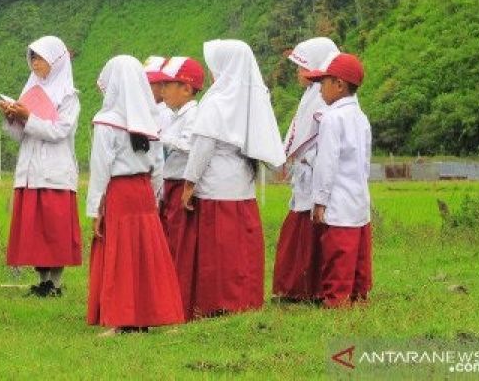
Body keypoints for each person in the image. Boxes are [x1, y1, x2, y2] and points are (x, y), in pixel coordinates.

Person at [178, 39, 285, 319]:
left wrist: (189, 183)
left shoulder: (216, 100)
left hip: (215, 186)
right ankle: (245, 301)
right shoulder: (252, 99)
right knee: (240, 249)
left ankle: (216, 303)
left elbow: (202, 147)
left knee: (218, 250)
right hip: (242, 184)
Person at [85, 55, 185, 335]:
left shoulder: (106, 122)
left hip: (119, 191)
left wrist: (95, 208)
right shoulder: (150, 119)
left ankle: (122, 318)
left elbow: (100, 169)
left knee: (120, 253)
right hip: (142, 191)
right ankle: (149, 312)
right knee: (146, 253)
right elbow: (158, 166)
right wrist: (155, 196)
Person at [0, 36, 82, 298]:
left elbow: (59, 130)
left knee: (53, 231)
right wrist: (13, 119)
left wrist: (28, 117)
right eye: (32, 57)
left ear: (56, 61)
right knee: (34, 231)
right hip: (30, 171)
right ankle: (42, 281)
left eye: (41, 58)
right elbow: (20, 136)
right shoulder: (29, 91)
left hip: (55, 172)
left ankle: (55, 283)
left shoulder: (68, 96)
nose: (35, 63)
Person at [272, 37, 339, 302]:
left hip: (315, 171)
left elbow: (321, 137)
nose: (299, 73)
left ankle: (307, 288)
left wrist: (298, 158)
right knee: (299, 229)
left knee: (311, 229)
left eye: (303, 67)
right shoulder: (312, 94)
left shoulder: (323, 97)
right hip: (306, 172)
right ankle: (297, 287)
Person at [305, 52, 373, 308]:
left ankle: (336, 300)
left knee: (338, 253)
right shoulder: (361, 118)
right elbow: (365, 162)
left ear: (339, 85)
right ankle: (358, 296)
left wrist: (320, 200)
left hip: (337, 197)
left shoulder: (332, 118)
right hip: (357, 196)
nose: (320, 89)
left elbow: (327, 162)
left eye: (323, 82)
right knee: (358, 255)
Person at [144, 56, 205, 264]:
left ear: (186, 89)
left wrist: (159, 136)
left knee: (179, 236)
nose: (163, 91)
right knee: (170, 232)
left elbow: (188, 145)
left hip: (181, 182)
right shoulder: (175, 114)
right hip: (170, 181)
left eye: (167, 85)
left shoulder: (193, 114)